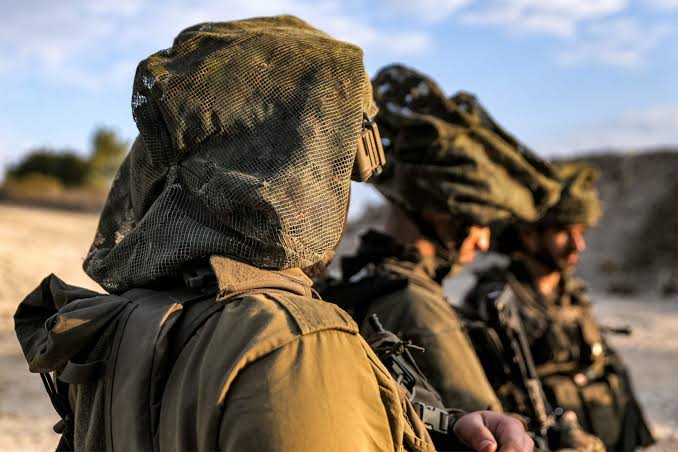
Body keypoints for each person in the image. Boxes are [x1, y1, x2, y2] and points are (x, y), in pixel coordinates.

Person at [14, 17, 533, 452]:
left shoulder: (122, 319)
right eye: (340, 165)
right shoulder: (294, 341)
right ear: (302, 167)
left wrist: (440, 431)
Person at [319, 64, 562, 416]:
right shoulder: (415, 305)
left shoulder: (363, 280)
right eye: (479, 223)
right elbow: (486, 431)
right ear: (440, 213)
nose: (483, 242)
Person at [463, 163, 655, 451]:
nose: (578, 245)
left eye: (581, 232)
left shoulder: (573, 296)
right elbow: (485, 399)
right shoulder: (494, 302)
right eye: (564, 232)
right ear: (528, 234)